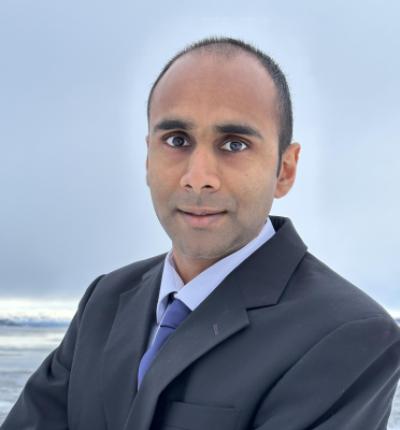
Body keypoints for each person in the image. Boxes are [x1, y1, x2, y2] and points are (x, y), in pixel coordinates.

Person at [2, 36, 400, 430]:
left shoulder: (350, 335)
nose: (198, 178)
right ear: (148, 156)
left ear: (285, 169)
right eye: (177, 140)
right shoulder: (105, 301)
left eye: (234, 144)